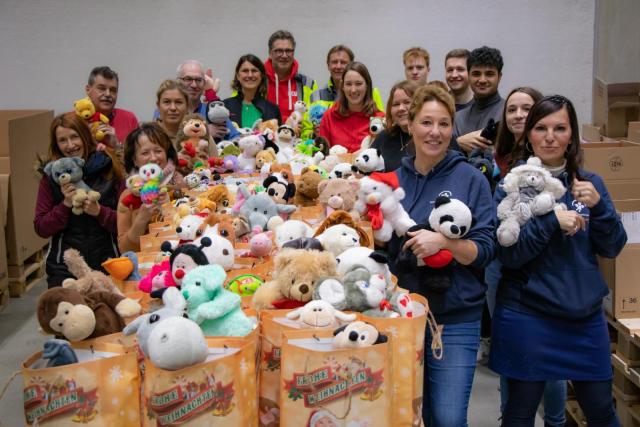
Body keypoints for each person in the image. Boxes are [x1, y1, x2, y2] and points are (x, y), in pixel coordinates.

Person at [490, 95, 625, 426]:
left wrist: (601, 208)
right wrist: (551, 221)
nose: (550, 136)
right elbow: (510, 256)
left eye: (560, 128)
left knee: (601, 411)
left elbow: (613, 247)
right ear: (528, 136)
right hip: (528, 315)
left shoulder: (588, 186)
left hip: (583, 316)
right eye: (541, 128)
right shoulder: (511, 190)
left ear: (572, 135)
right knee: (520, 414)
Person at [386, 85, 495, 426]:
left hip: (456, 317)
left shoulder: (470, 179)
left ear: (453, 128)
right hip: (403, 321)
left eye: (444, 124)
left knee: (448, 419)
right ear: (411, 125)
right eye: (427, 122)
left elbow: (486, 250)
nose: (435, 132)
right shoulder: (392, 182)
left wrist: (444, 243)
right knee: (410, 417)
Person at [486, 87, 567, 427]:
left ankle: (555, 420)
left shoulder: (561, 164)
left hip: (549, 276)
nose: (519, 115)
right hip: (504, 270)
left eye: (527, 109)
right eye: (513, 109)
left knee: (552, 361)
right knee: (511, 356)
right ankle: (513, 416)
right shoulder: (499, 157)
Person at [34, 112, 124, 288]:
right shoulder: (51, 177)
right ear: (56, 144)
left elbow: (126, 223)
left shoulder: (110, 167)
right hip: (64, 267)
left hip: (108, 263)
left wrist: (100, 212)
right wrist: (65, 205)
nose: (70, 145)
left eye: (74, 137)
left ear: (85, 136)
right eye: (62, 140)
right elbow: (41, 227)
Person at [117, 122, 183, 253]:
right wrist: (142, 218)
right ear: (134, 160)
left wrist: (168, 208)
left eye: (158, 151)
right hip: (148, 265)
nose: (153, 158)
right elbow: (125, 250)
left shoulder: (182, 183)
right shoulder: (129, 195)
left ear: (167, 153)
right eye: (145, 153)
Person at [301, 45, 384, 139]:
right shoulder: (316, 96)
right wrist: (314, 135)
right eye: (334, 62)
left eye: (343, 62)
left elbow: (379, 123)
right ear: (328, 65)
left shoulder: (372, 93)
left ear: (351, 64)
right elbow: (305, 131)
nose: (338, 66)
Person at [317, 62, 384, 153]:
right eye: (348, 84)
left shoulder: (379, 119)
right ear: (342, 86)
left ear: (367, 85)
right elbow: (321, 155)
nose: (353, 90)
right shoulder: (329, 117)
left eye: (358, 84)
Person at [453, 46, 505, 153]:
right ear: (468, 75)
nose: (482, 80)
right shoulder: (458, 118)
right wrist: (457, 143)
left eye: (489, 74)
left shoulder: (508, 113)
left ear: (499, 77)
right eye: (476, 74)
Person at [171, 60, 239, 141]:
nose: (194, 85)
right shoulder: (168, 110)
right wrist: (204, 132)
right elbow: (162, 140)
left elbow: (236, 138)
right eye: (188, 79)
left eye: (198, 80)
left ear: (204, 83)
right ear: (178, 82)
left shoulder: (213, 111)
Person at [264, 30, 317, 124]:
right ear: (270, 53)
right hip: (264, 136)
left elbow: (313, 118)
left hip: (299, 137)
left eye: (288, 51)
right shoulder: (258, 80)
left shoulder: (308, 84)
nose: (284, 55)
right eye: (279, 51)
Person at [84, 66, 139, 148]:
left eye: (113, 90)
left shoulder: (129, 119)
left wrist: (117, 146)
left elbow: (139, 158)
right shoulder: (74, 120)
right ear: (88, 90)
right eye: (101, 88)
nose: (108, 94)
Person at [223, 54, 281, 128]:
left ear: (261, 75)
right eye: (245, 71)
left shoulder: (273, 109)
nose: (250, 75)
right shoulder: (225, 106)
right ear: (238, 76)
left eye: (254, 71)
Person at [370, 80, 417, 171]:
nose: (401, 108)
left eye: (407, 102)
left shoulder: (427, 137)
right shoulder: (385, 136)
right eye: (396, 104)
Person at [155, 79, 189, 144]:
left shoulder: (200, 133)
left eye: (178, 102)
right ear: (158, 105)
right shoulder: (148, 135)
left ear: (187, 106)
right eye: (167, 102)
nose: (173, 108)